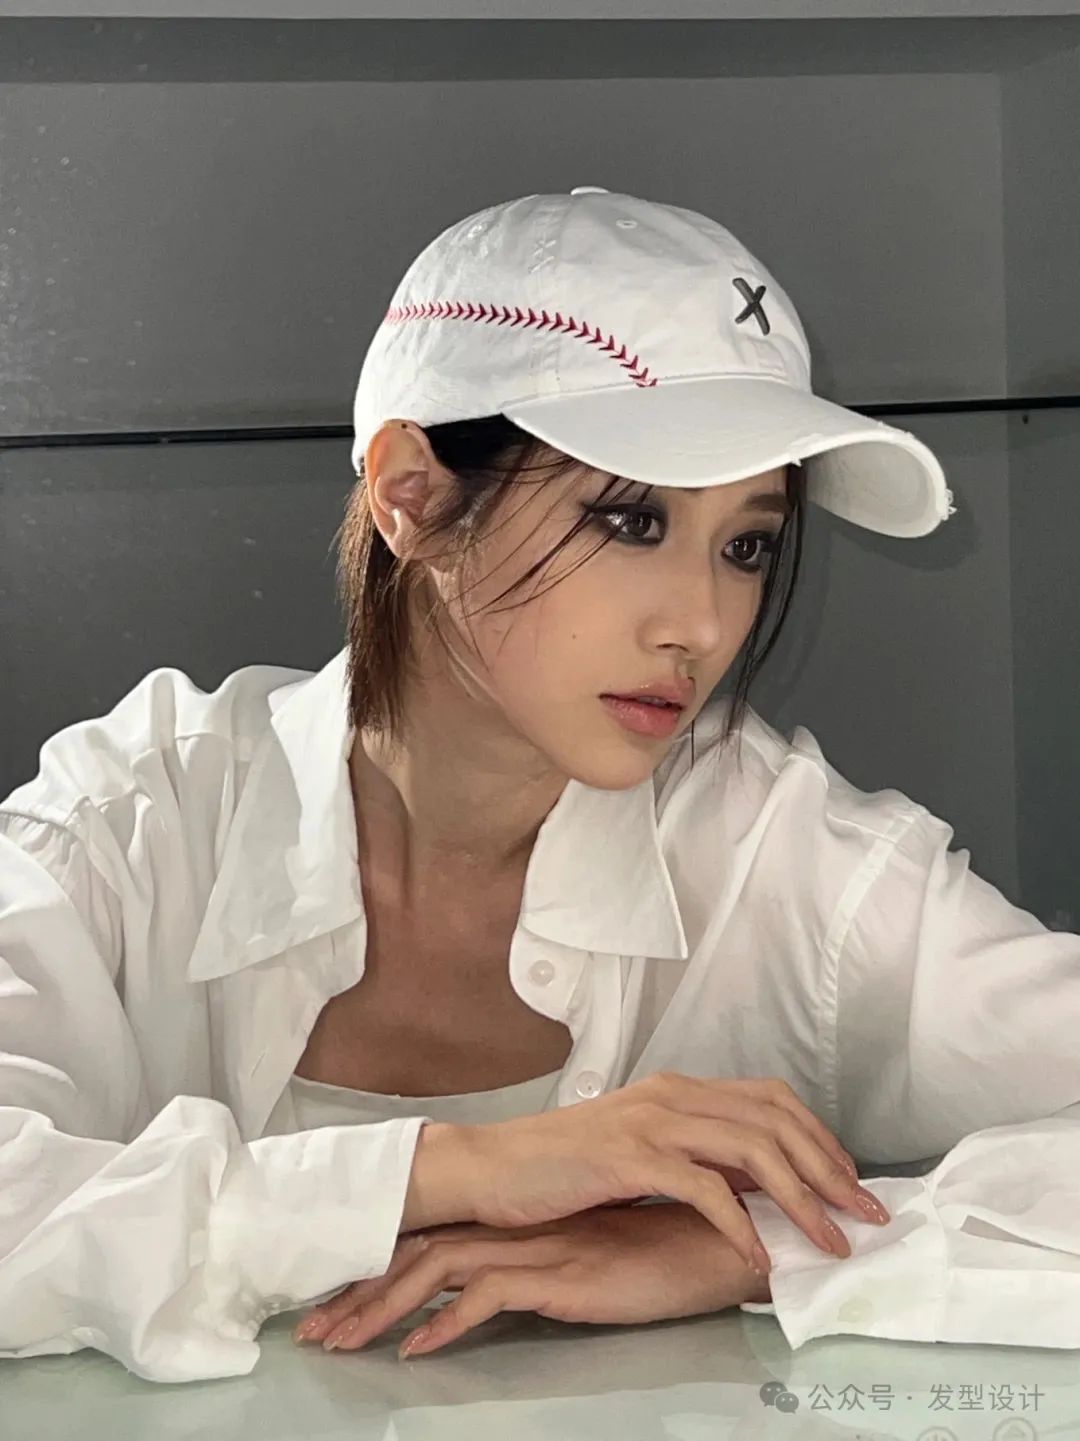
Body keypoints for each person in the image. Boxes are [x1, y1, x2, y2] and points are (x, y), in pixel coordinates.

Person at [1, 187, 1077, 1385]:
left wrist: (760, 1246)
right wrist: (465, 1171)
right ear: (411, 494)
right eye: (629, 520)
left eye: (747, 544)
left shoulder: (780, 851)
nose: (702, 623)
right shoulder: (128, 824)